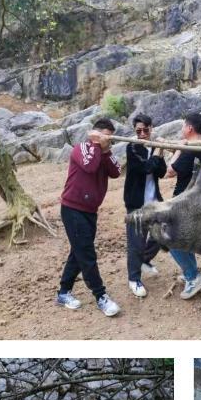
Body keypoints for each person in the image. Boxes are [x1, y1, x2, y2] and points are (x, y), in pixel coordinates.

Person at [55, 117, 121, 316]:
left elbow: (116, 172)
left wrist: (107, 150)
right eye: (106, 137)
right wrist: (95, 144)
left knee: (78, 252)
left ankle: (63, 292)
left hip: (90, 211)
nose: (108, 141)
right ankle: (100, 296)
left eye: (110, 138)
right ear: (96, 134)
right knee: (86, 253)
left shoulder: (104, 152)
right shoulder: (81, 148)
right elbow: (90, 166)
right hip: (72, 209)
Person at [163, 112, 201, 299]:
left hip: (185, 200)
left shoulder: (189, 149)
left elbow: (169, 172)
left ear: (189, 128)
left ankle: (193, 276)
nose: (182, 129)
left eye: (183, 126)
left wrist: (178, 150)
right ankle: (191, 272)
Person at [123, 113, 167, 298]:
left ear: (151, 129)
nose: (142, 133)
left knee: (162, 234)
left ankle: (144, 260)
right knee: (136, 242)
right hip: (136, 204)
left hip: (154, 201)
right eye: (138, 130)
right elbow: (146, 168)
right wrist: (158, 151)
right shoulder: (132, 148)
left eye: (145, 130)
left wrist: (160, 152)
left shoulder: (154, 147)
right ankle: (134, 279)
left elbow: (162, 172)